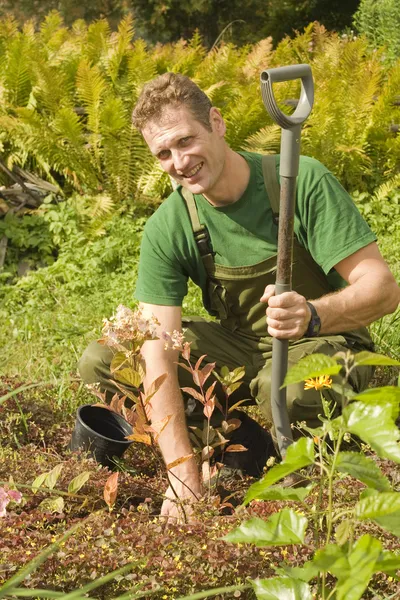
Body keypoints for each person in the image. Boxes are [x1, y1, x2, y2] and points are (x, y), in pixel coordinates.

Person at [78, 72, 400, 522]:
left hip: (325, 344)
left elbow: (382, 290)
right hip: (243, 347)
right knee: (106, 357)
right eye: (163, 154)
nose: (179, 161)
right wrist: (182, 473)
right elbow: (156, 350)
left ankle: (339, 453)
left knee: (283, 391)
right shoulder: (169, 226)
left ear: (217, 122)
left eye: (186, 141)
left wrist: (312, 313)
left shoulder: (299, 182)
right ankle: (243, 443)